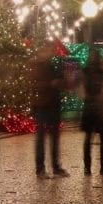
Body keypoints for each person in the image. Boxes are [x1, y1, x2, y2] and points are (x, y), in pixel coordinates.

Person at [31, 44, 69, 178]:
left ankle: (56, 167)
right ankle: (40, 169)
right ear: (42, 51)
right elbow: (33, 84)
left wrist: (62, 82)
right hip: (41, 105)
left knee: (55, 137)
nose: (51, 53)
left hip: (53, 104)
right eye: (48, 50)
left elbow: (62, 81)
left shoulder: (54, 65)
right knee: (41, 138)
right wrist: (50, 84)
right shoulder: (36, 65)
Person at [80, 52, 103, 175]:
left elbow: (81, 90)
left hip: (88, 107)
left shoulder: (84, 71)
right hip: (100, 107)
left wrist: (87, 97)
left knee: (88, 138)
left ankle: (87, 167)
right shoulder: (102, 72)